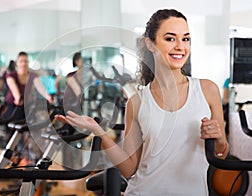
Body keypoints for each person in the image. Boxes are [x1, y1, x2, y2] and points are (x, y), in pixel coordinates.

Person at [55, 9, 229, 195]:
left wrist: (218, 139)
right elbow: (129, 168)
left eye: (185, 39)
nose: (180, 46)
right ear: (150, 44)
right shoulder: (137, 102)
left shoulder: (207, 90)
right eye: (170, 39)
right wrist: (99, 132)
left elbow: (222, 153)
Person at [4, 51, 53, 120]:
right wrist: (18, 98)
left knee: (29, 126)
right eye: (21, 61)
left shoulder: (33, 75)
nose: (23, 63)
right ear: (16, 63)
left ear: (28, 62)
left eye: (26, 61)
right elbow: (14, 90)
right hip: (13, 105)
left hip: (27, 105)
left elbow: (40, 87)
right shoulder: (10, 76)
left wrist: (48, 97)